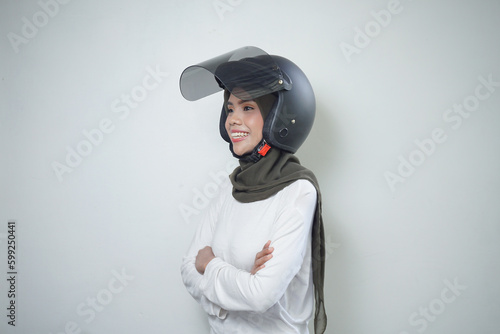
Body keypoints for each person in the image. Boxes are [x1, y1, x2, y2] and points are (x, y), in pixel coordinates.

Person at [179, 46, 327, 334]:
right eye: (230, 108)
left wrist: (210, 265)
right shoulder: (231, 186)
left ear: (279, 118)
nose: (233, 119)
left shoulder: (299, 192)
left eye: (248, 108)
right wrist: (241, 280)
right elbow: (187, 268)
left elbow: (261, 296)